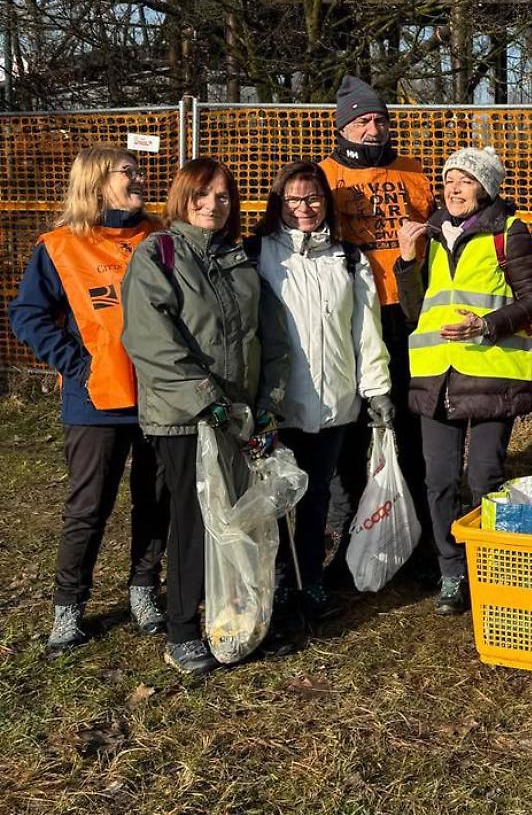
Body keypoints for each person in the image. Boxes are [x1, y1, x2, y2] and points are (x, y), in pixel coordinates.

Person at [121, 158, 288, 675]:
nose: (213, 205)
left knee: (241, 517)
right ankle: (182, 629)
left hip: (236, 416)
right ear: (182, 198)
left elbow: (271, 337)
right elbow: (150, 339)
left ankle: (237, 616)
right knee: (193, 521)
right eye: (202, 195)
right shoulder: (160, 254)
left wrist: (266, 406)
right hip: (184, 417)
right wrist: (203, 397)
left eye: (222, 196)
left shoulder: (240, 260)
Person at [9, 147, 168, 655]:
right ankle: (68, 610)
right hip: (96, 400)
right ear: (97, 183)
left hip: (163, 397)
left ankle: (144, 591)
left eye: (137, 170)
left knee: (156, 499)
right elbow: (28, 314)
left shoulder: (159, 236)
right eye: (129, 172)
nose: (140, 178)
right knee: (88, 508)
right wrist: (79, 365)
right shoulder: (59, 246)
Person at [395, 147, 532, 614]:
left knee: (485, 478)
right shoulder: (433, 235)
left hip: (490, 376)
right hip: (435, 379)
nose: (454, 188)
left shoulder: (509, 232)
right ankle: (450, 572)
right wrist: (406, 261)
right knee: (439, 480)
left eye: (465, 180)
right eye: (449, 180)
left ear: (486, 187)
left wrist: (486, 325)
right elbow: (413, 309)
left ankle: (494, 567)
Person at [249, 161, 392, 620]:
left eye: (312, 198)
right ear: (279, 203)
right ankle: (276, 583)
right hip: (278, 405)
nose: (304, 207)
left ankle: (309, 580)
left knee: (316, 499)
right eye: (293, 199)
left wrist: (377, 389)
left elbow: (364, 331)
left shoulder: (349, 259)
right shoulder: (258, 254)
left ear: (325, 202)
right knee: (272, 500)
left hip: (334, 403)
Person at [319, 75, 433, 576]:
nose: (373, 128)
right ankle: (351, 532)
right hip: (350, 312)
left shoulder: (413, 171)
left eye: (380, 119)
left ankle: (415, 532)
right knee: (353, 424)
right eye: (363, 120)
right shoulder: (323, 175)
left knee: (411, 421)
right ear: (343, 127)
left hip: (408, 309)